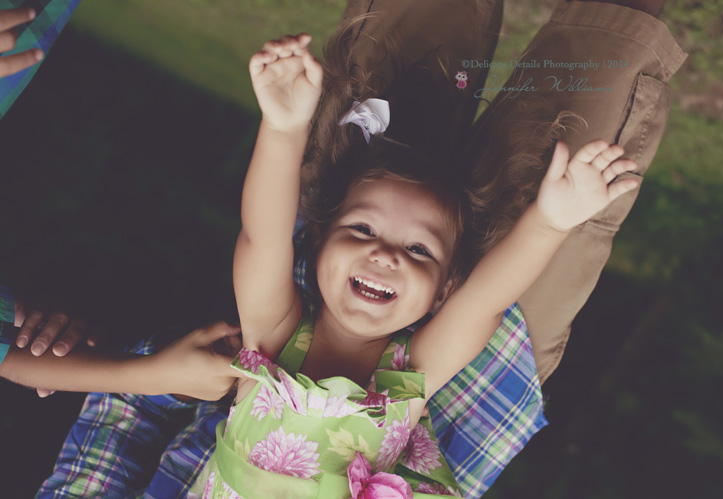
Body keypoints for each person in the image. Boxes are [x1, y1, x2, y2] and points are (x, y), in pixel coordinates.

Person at [0, 0, 686, 498]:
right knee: (612, 43)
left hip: (363, 166)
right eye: (367, 234)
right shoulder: (401, 388)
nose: (385, 255)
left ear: (317, 233)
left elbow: (263, 237)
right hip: (491, 387)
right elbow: (483, 303)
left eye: (408, 250)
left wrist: (285, 124)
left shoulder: (270, 345)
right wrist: (551, 218)